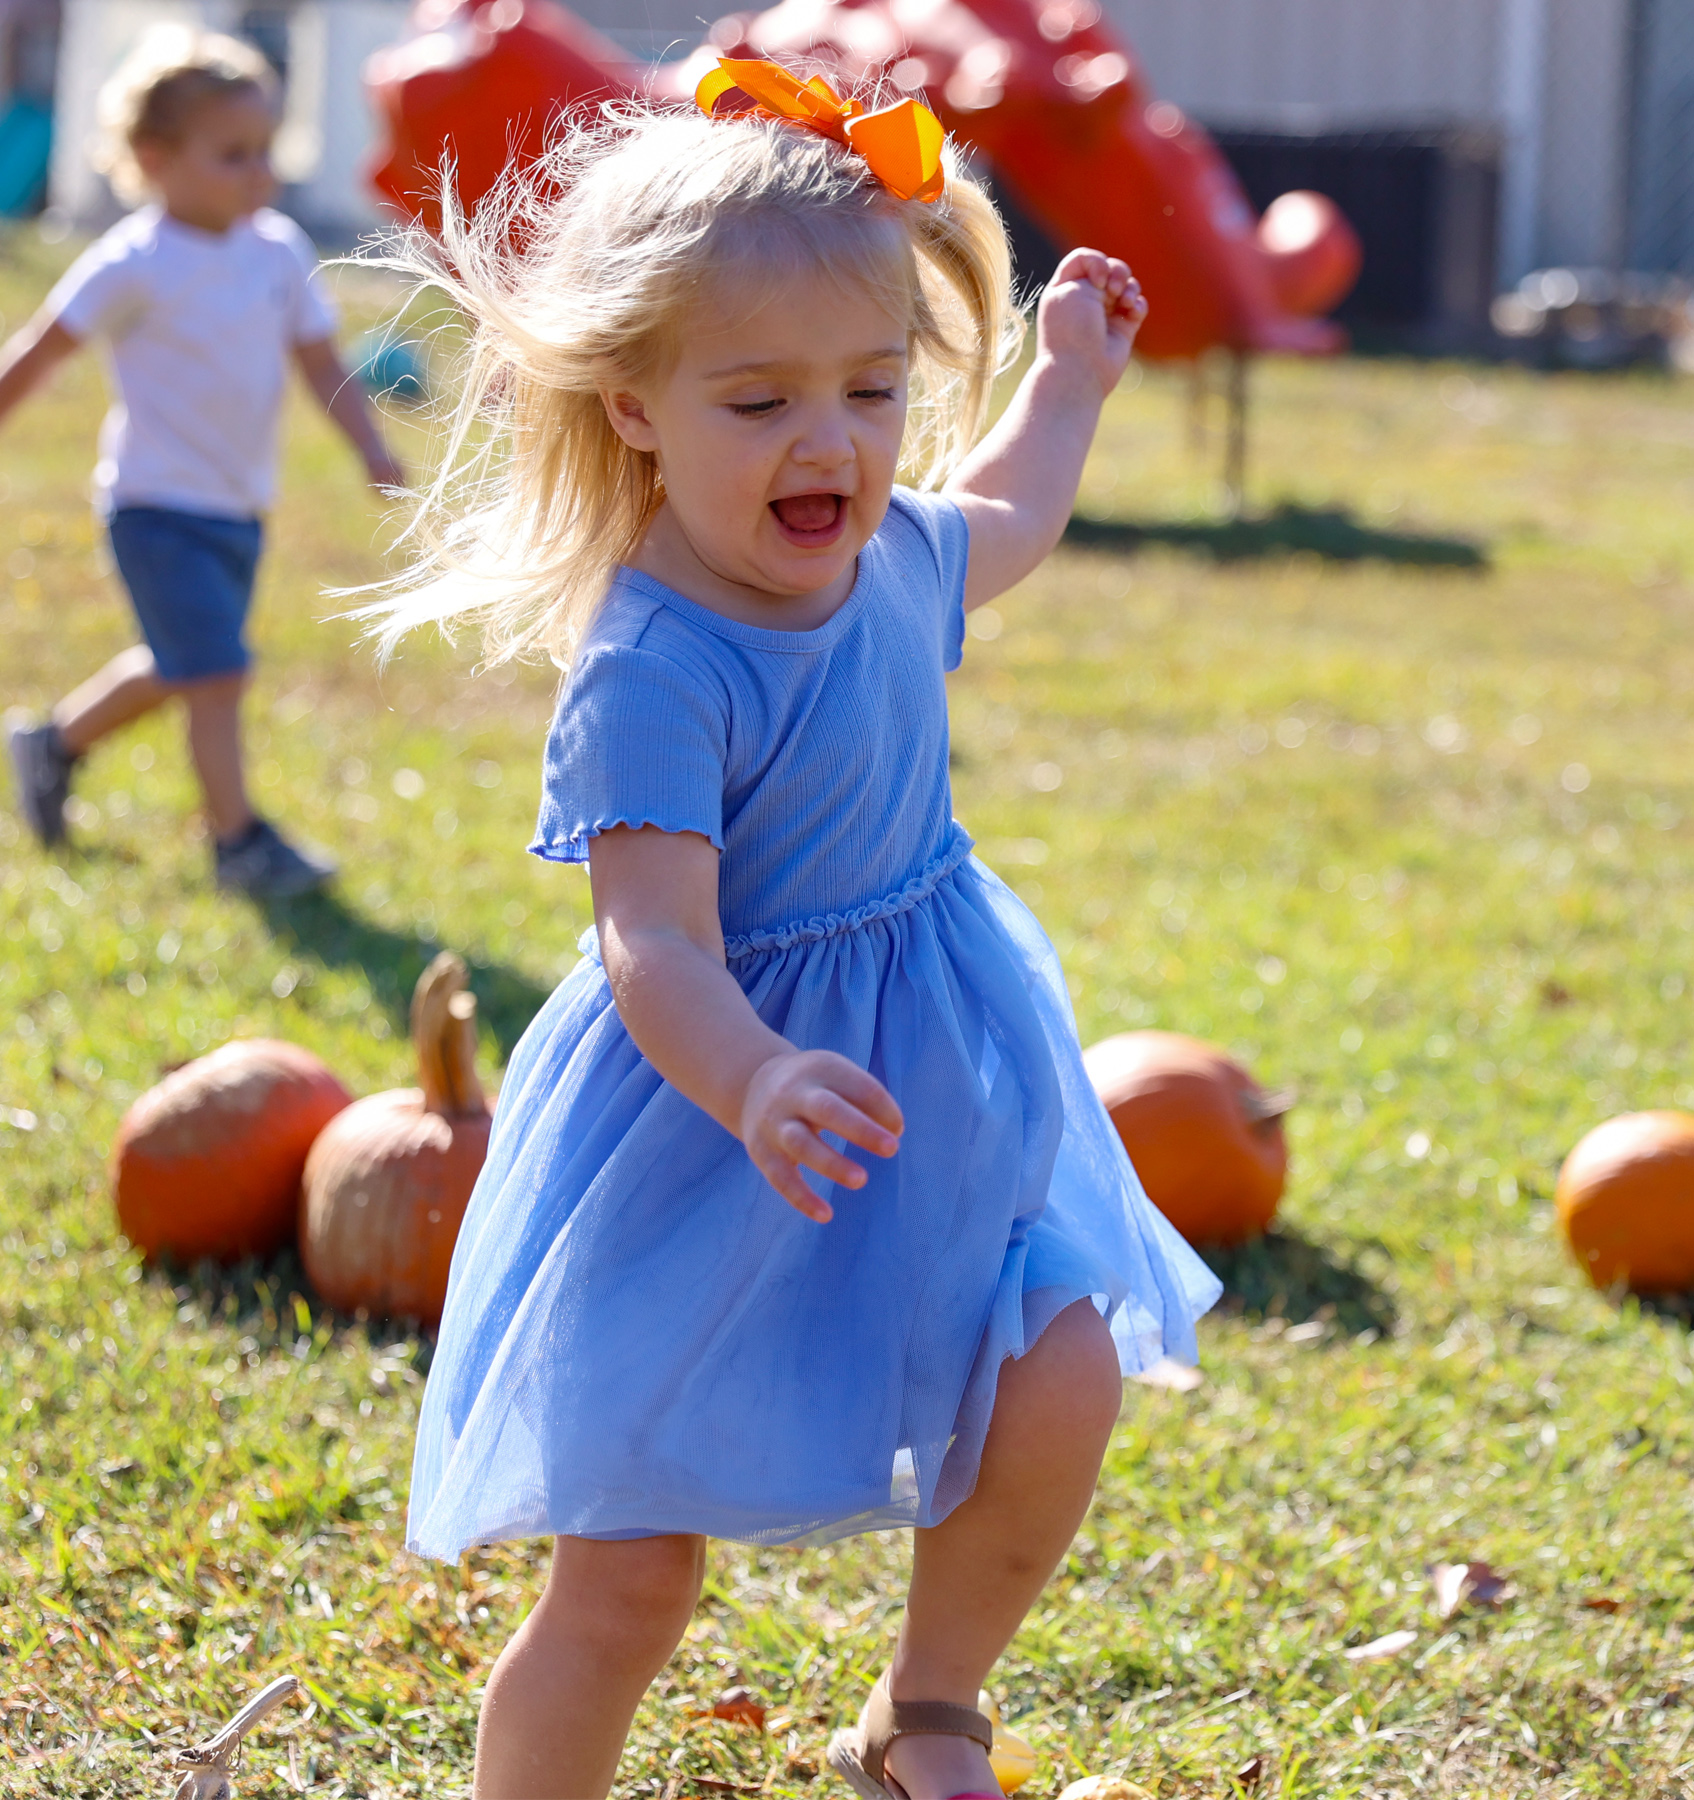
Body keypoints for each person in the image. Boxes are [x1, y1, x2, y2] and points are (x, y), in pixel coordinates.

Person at [375, 65, 1221, 1800]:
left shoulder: (893, 555)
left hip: (924, 1092)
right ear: (632, 406)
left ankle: (926, 1712)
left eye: (871, 388)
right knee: (628, 1580)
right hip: (703, 1129)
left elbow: (1007, 516)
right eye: (758, 400)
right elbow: (652, 946)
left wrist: (1066, 381)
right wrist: (755, 1078)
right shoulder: (654, 667)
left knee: (1059, 1370)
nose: (828, 442)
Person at [0, 25, 401, 894]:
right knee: (217, 670)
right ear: (155, 158)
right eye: (232, 155)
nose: (260, 173)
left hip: (238, 506)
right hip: (154, 505)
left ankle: (53, 743)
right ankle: (238, 842)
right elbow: (39, 351)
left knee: (185, 661)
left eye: (266, 150)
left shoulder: (278, 251)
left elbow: (320, 363)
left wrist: (371, 446)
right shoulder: (133, 262)